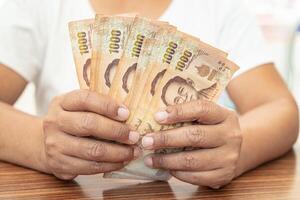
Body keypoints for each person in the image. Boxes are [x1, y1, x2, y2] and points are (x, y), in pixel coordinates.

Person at [0, 0, 298, 189]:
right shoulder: (38, 5)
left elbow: (280, 108)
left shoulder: (220, 8)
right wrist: (41, 145)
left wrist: (239, 148)